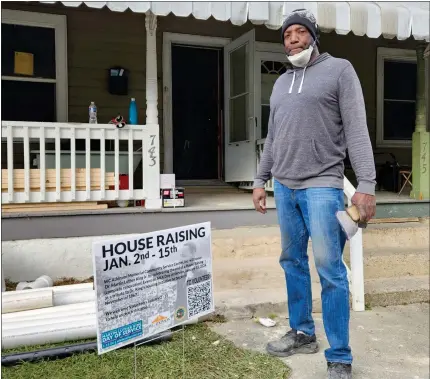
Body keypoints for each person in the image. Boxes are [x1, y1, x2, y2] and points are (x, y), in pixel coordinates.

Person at [252, 8, 376, 379]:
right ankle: (303, 332)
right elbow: (273, 139)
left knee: (331, 271)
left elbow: (356, 129)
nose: (291, 38)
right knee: (292, 262)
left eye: (298, 32)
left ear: (313, 36)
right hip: (285, 188)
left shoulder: (339, 70)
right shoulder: (280, 83)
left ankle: (339, 356)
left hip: (323, 184)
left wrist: (366, 186)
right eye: (286, 34)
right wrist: (261, 180)